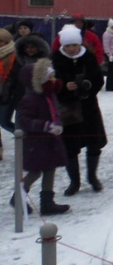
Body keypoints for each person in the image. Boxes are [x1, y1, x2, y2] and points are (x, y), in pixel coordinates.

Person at [52, 25, 107, 195]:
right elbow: (51, 83)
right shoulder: (55, 59)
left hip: (88, 107)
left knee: (94, 143)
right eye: (68, 46)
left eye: (74, 45)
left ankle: (92, 177)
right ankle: (74, 182)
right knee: (70, 147)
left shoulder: (88, 58)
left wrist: (88, 85)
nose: (71, 49)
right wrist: (64, 86)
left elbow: (98, 80)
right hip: (68, 109)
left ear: (79, 44)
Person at [12, 59, 70, 215]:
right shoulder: (30, 99)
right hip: (36, 142)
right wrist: (45, 125)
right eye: (49, 77)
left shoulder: (49, 95)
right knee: (36, 171)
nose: (53, 80)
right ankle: (18, 195)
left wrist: (57, 125)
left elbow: (54, 112)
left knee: (50, 168)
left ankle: (47, 202)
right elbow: (24, 120)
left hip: (50, 139)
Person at [0, 29, 18, 161]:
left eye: (0, 41)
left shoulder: (14, 55)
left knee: (4, 122)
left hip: (9, 94)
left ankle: (25, 135)